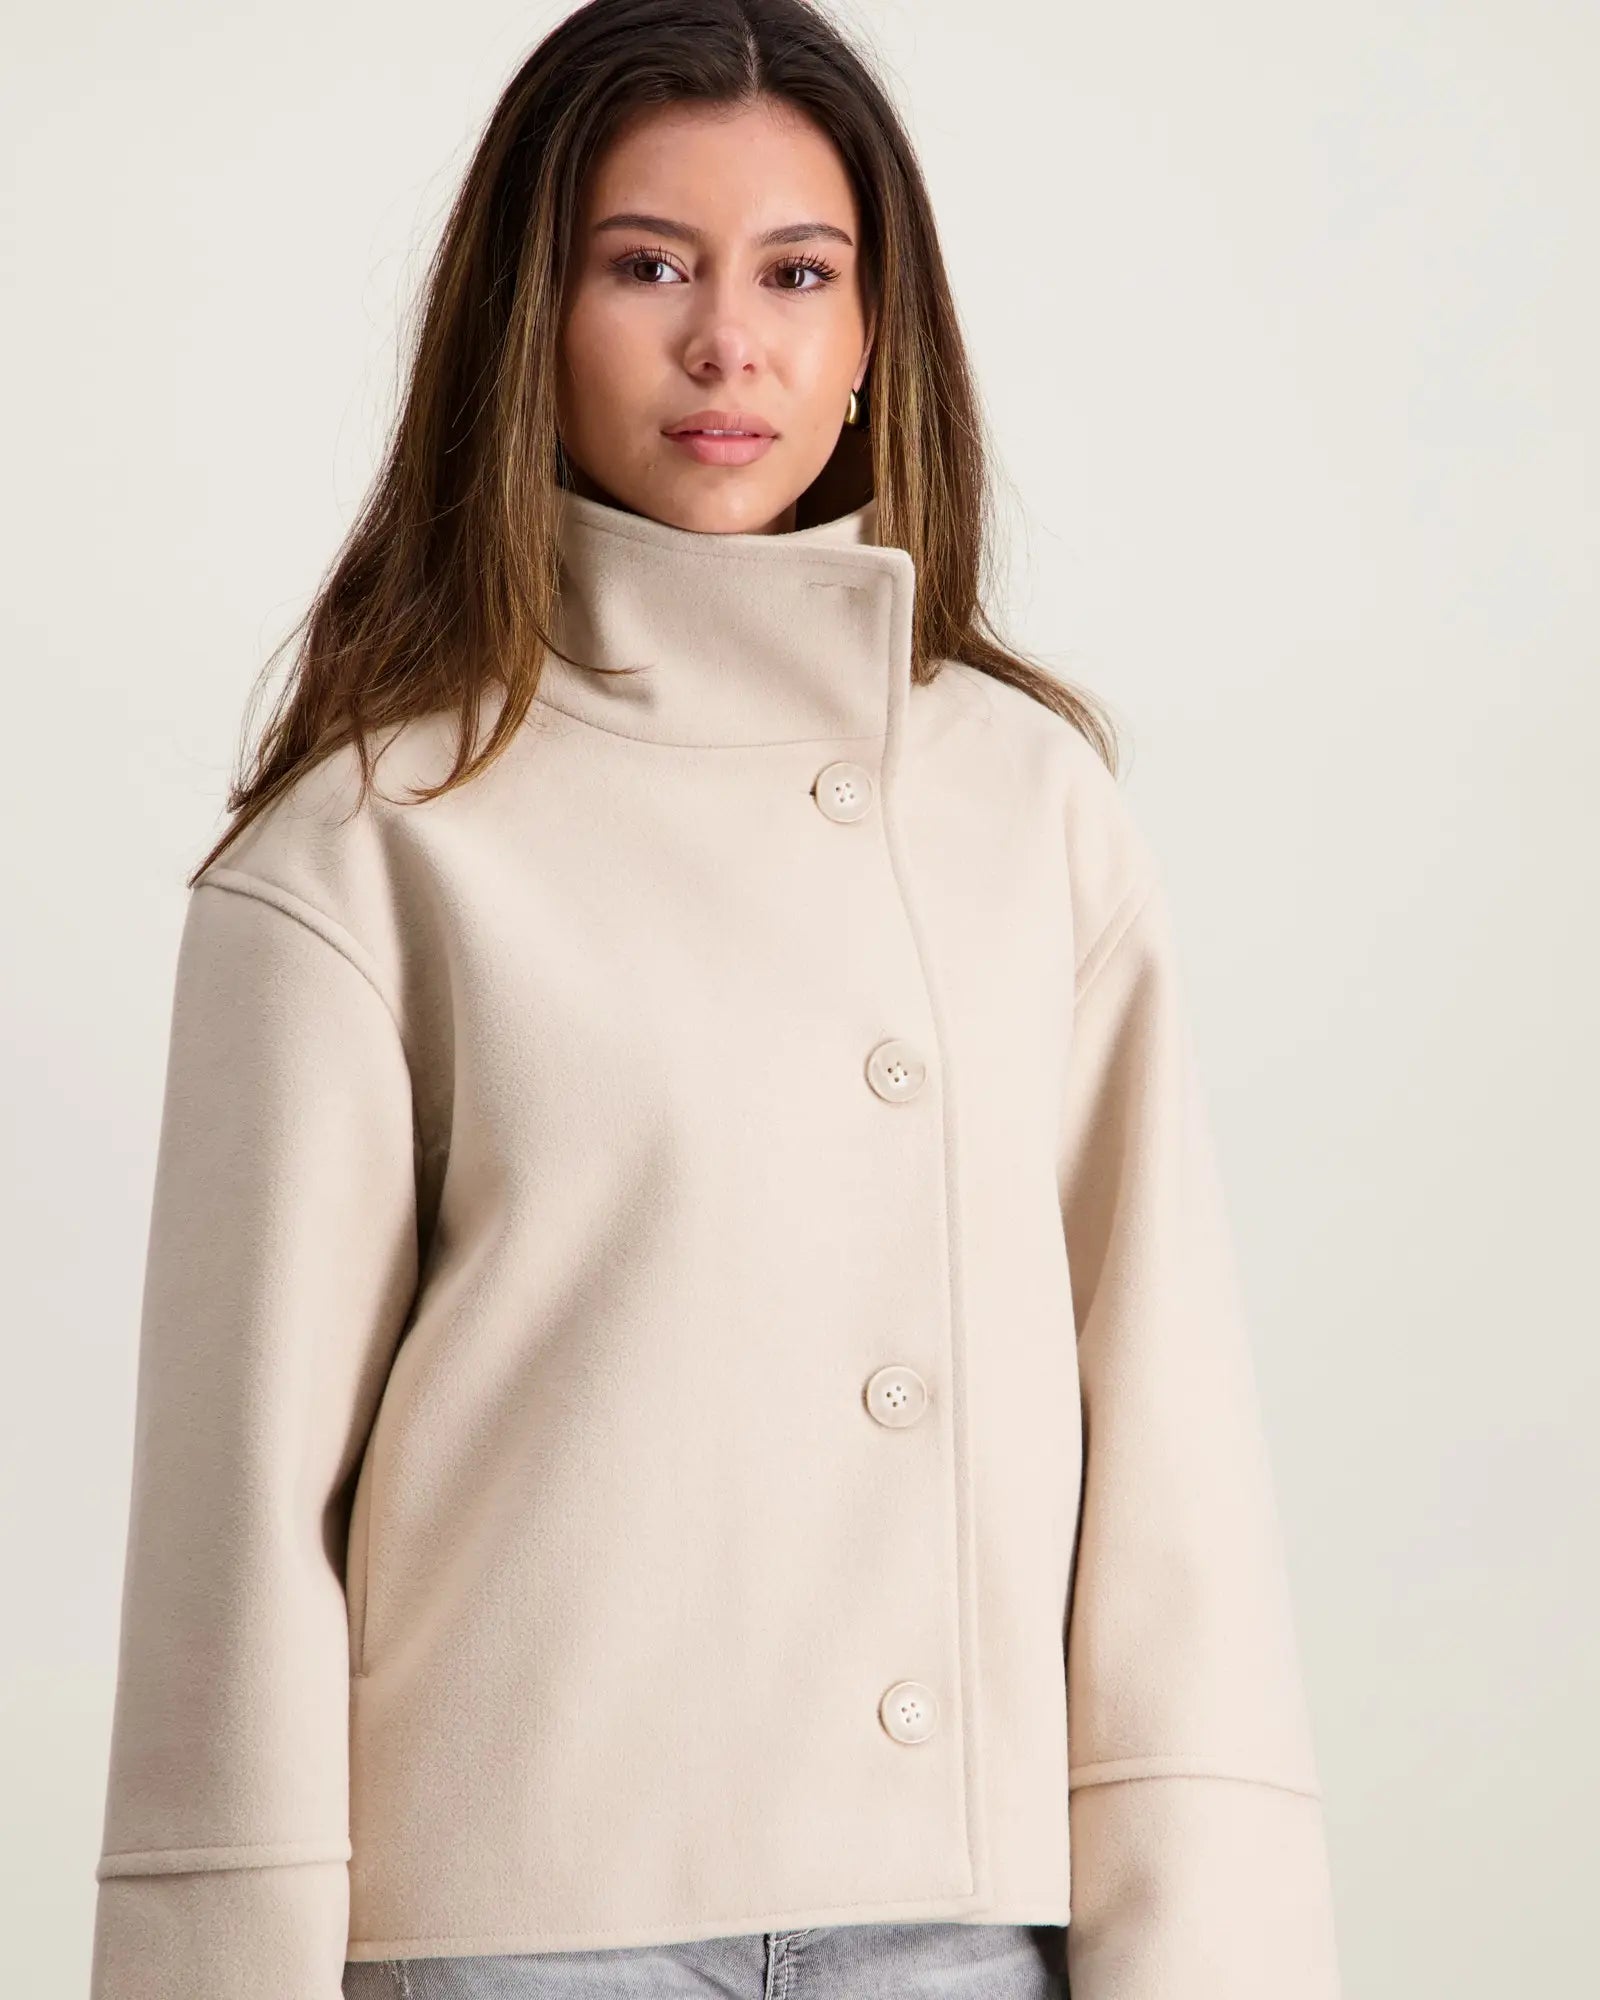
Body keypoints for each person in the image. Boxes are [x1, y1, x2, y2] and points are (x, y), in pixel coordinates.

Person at [88, 3, 1343, 1997]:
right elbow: (241, 1522)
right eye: (647, 265)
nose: (726, 345)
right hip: (513, 1936)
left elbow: (1166, 1434)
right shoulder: (366, 845)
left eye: (797, 274)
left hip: (960, 1927)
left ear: (873, 338)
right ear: (531, 319)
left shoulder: (1026, 812)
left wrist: (1209, 1940)